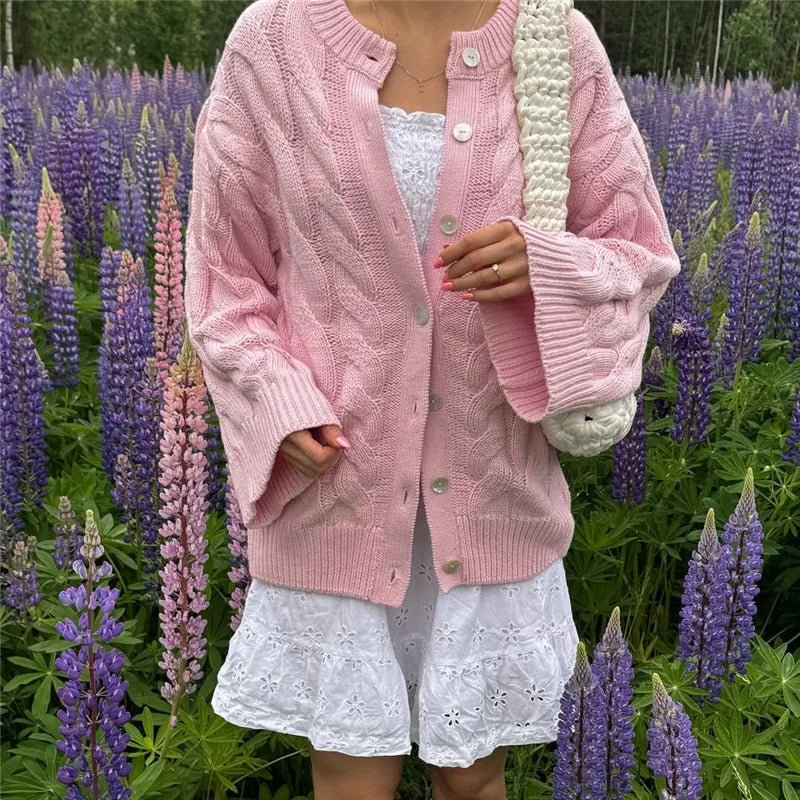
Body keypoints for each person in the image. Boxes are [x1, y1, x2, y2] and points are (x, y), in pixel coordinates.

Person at [183, 0, 681, 797]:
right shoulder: (272, 42)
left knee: (474, 779)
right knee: (351, 773)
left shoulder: (555, 44)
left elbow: (640, 254)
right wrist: (275, 401)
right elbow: (222, 279)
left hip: (492, 493)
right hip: (334, 491)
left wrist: (547, 266)